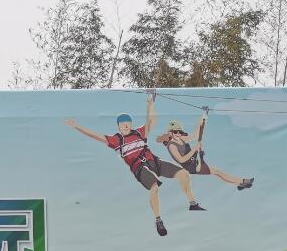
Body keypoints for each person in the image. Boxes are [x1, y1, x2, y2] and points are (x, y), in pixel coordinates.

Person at [65, 92, 203, 237]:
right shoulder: (116, 140)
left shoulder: (139, 133)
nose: (125, 126)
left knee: (183, 174)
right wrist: (77, 126)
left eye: (128, 123)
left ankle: (192, 203)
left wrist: (151, 104)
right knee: (154, 187)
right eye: (122, 124)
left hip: (154, 161)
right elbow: (94, 135)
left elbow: (152, 121)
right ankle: (158, 220)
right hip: (140, 168)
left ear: (131, 124)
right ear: (118, 126)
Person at [157, 111, 253, 190]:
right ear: (170, 133)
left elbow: (195, 135)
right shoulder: (172, 146)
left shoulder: (181, 138)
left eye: (180, 132)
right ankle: (242, 181)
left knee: (218, 173)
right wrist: (195, 149)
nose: (178, 134)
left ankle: (240, 183)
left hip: (195, 161)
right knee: (218, 172)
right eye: (175, 132)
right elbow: (181, 160)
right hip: (192, 167)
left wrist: (202, 118)